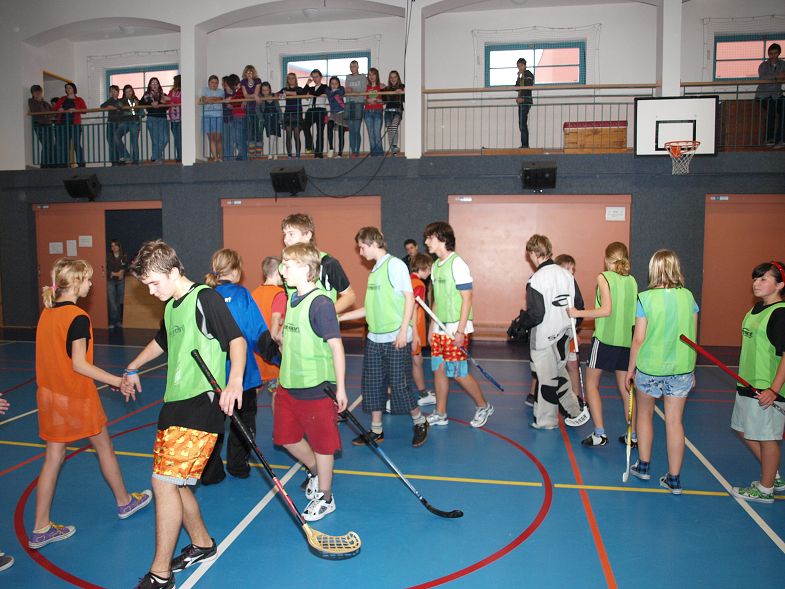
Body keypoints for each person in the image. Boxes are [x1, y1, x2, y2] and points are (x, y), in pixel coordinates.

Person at [122, 240, 246, 589]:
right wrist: (133, 366)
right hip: (174, 404)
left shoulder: (206, 298)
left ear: (174, 271)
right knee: (175, 484)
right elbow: (161, 342)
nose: (150, 291)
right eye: (146, 285)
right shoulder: (171, 308)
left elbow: (236, 340)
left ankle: (160, 574)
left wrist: (235, 381)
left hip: (200, 404)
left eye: (153, 283)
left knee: (163, 483)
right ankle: (202, 543)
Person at [31, 258, 152, 550]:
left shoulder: (47, 313)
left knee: (53, 458)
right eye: (86, 279)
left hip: (50, 398)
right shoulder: (78, 317)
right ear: (74, 283)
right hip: (76, 398)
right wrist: (116, 380)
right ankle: (124, 501)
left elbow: (60, 360)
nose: (90, 284)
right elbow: (79, 364)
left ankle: (40, 528)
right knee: (104, 447)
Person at [275, 243, 348, 521]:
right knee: (286, 438)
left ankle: (326, 497)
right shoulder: (292, 298)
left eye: (288, 264)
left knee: (323, 445)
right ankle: (317, 472)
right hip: (288, 385)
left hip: (317, 387)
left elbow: (336, 347)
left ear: (306, 269)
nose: (282, 270)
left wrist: (341, 388)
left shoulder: (321, 304)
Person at [339, 227, 429, 447]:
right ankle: (376, 430)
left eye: (362, 247)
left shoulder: (395, 265)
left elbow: (410, 299)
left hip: (395, 337)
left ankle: (420, 421)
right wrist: (339, 317)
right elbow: (369, 309)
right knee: (373, 385)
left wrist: (403, 331)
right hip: (375, 338)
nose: (361, 253)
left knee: (399, 385)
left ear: (372, 243)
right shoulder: (374, 272)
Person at [626, 249, 698, 495]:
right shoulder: (688, 297)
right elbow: (692, 338)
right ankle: (674, 478)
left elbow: (639, 338)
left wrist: (630, 370)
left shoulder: (645, 298)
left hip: (650, 367)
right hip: (681, 368)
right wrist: (691, 368)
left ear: (653, 269)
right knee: (675, 421)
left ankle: (643, 465)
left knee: (645, 414)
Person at [202, 249, 268, 483]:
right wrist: (280, 358)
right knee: (244, 422)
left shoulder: (204, 296)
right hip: (242, 376)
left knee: (212, 424)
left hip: (212, 376)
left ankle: (210, 472)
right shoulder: (242, 295)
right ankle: (238, 467)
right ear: (236, 270)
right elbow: (258, 333)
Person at [422, 222, 494, 428]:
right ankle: (440, 413)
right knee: (438, 369)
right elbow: (436, 300)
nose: (426, 242)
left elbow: (467, 298)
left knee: (457, 372)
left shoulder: (457, 264)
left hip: (455, 327)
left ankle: (483, 406)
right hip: (440, 327)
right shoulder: (436, 266)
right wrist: (431, 328)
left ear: (442, 238)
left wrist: (461, 331)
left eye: (430, 237)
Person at [567, 243, 638, 446]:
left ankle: (599, 434)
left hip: (605, 340)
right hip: (626, 342)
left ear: (607, 259)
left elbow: (606, 310)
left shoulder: (603, 277)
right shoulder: (632, 281)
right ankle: (632, 435)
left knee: (591, 385)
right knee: (626, 390)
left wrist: (577, 313)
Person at [516, 235, 588, 429]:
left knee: (547, 379)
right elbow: (579, 306)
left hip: (543, 337)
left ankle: (547, 421)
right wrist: (572, 328)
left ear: (534, 253)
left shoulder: (536, 279)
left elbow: (536, 314)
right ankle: (575, 410)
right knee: (558, 374)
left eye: (530, 254)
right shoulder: (567, 276)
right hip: (564, 335)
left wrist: (522, 324)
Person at [730, 261, 785, 503]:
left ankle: (765, 489)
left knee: (766, 437)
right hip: (747, 383)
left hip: (766, 388)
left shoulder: (780, 314)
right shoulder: (756, 309)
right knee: (743, 429)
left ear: (780, 285)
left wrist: (774, 389)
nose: (756, 283)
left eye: (763, 279)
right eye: (755, 278)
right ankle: (773, 475)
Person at [281, 213, 356, 314]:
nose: (286, 239)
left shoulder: (327, 263)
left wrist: (325, 314)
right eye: (284, 234)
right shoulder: (283, 266)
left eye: (291, 234)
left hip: (321, 323)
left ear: (308, 235)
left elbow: (350, 296)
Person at [251, 256, 286, 393]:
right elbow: (275, 320)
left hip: (256, 354)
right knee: (277, 395)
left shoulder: (254, 293)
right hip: (273, 357)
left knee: (254, 394)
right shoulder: (280, 294)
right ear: (277, 272)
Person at [555, 254, 582, 406]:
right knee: (550, 366)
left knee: (572, 364)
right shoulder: (551, 284)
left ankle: (575, 398)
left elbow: (579, 305)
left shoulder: (572, 284)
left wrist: (575, 330)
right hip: (553, 333)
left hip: (569, 331)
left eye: (573, 269)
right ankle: (539, 397)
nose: (572, 272)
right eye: (568, 268)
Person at [410, 252, 435, 406]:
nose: (430, 272)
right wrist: (415, 334)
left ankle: (423, 392)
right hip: (413, 328)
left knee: (417, 359)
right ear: (423, 267)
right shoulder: (419, 284)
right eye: (429, 268)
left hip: (408, 327)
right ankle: (422, 394)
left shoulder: (408, 280)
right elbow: (412, 309)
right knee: (415, 361)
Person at [756, 43, 785, 148]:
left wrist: (775, 77)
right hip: (763, 95)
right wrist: (777, 76)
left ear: (779, 53)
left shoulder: (783, 64)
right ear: (768, 54)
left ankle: (781, 139)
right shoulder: (763, 65)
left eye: (775, 53)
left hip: (777, 94)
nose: (773, 56)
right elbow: (763, 78)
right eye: (771, 53)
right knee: (771, 110)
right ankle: (769, 139)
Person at [53, 82, 87, 167]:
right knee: (64, 145)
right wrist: (59, 109)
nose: (68, 89)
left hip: (75, 125)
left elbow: (85, 110)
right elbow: (54, 108)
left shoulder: (79, 99)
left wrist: (76, 109)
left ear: (74, 89)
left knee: (76, 144)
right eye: (66, 88)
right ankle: (65, 164)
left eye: (69, 88)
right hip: (63, 125)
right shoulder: (62, 99)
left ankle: (81, 164)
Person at [139, 77, 170, 164]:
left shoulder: (163, 95)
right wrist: (150, 104)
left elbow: (167, 107)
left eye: (156, 83)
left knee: (165, 139)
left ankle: (154, 156)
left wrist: (160, 104)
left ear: (159, 85)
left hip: (162, 118)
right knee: (155, 141)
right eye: (152, 83)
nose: (154, 85)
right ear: (149, 85)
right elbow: (141, 103)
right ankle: (157, 159)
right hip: (152, 118)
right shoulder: (146, 95)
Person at [28, 84, 56, 167]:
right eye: (35, 92)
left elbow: (53, 113)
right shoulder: (31, 101)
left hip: (48, 125)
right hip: (40, 125)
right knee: (46, 145)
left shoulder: (45, 103)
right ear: (32, 93)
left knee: (51, 145)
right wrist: (40, 101)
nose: (38, 93)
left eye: (39, 92)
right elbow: (39, 112)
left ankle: (50, 164)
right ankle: (44, 165)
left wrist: (49, 117)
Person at [279, 73, 306, 159]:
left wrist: (287, 93)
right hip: (288, 114)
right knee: (288, 135)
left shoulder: (299, 88)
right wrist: (282, 94)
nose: (291, 80)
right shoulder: (284, 89)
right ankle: (289, 156)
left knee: (296, 135)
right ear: (287, 80)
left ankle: (298, 155)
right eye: (289, 78)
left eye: (293, 78)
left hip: (297, 114)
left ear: (295, 79)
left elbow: (300, 93)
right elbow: (278, 95)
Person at [344, 60, 368, 158]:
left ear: (358, 67)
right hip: (349, 104)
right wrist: (349, 91)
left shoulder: (362, 77)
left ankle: (356, 151)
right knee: (351, 130)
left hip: (359, 104)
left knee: (357, 130)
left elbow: (364, 90)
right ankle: (353, 151)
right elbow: (346, 90)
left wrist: (353, 90)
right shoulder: (348, 77)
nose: (352, 68)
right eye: (351, 66)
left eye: (354, 66)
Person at [303, 69, 328, 158]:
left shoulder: (325, 86)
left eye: (316, 77)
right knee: (305, 126)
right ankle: (310, 146)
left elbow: (318, 93)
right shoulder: (311, 88)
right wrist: (307, 84)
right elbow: (302, 93)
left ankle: (319, 153)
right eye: (313, 77)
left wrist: (311, 94)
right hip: (311, 109)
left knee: (320, 132)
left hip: (321, 110)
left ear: (320, 77)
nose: (315, 79)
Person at [101, 85, 126, 166]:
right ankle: (114, 160)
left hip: (118, 124)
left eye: (114, 91)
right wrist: (108, 107)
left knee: (116, 141)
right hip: (110, 123)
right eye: (111, 91)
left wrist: (114, 107)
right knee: (110, 141)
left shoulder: (120, 101)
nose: (113, 92)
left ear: (118, 92)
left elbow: (122, 108)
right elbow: (102, 106)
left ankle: (120, 159)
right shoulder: (109, 101)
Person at [200, 75, 224, 162]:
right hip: (206, 117)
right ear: (209, 83)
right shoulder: (204, 90)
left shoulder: (221, 91)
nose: (214, 84)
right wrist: (213, 99)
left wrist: (209, 99)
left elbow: (220, 98)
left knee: (218, 138)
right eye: (212, 82)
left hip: (218, 116)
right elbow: (203, 99)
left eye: (216, 83)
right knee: (211, 138)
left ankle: (221, 157)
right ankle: (215, 158)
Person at [240, 65, 262, 157]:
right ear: (245, 73)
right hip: (248, 108)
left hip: (256, 108)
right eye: (248, 72)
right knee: (250, 130)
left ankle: (259, 151)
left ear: (254, 73)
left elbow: (256, 93)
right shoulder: (243, 82)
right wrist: (253, 96)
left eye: (251, 72)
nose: (249, 74)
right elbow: (245, 95)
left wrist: (253, 96)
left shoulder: (258, 80)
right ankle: (251, 152)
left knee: (257, 129)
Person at [118, 85, 142, 165]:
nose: (128, 93)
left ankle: (135, 161)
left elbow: (142, 113)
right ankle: (127, 156)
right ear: (124, 93)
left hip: (134, 122)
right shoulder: (122, 101)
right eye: (126, 92)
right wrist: (121, 107)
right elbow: (119, 108)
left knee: (134, 142)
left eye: (130, 91)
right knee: (116, 136)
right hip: (125, 122)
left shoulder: (136, 100)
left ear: (132, 91)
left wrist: (137, 107)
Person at [107, 239, 127, 330]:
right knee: (112, 302)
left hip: (120, 281)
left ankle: (118, 321)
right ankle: (112, 321)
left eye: (115, 245)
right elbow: (105, 269)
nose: (114, 247)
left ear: (119, 246)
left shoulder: (123, 255)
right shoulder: (108, 256)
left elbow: (126, 266)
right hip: (111, 281)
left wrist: (122, 272)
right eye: (112, 246)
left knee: (119, 302)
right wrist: (115, 274)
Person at [383, 70, 405, 154]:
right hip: (388, 111)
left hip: (398, 111)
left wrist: (402, 91)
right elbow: (384, 101)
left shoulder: (402, 86)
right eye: (391, 77)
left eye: (395, 77)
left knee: (394, 126)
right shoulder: (386, 88)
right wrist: (381, 88)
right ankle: (393, 149)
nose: (393, 79)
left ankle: (394, 146)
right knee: (390, 129)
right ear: (389, 79)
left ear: (398, 78)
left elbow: (405, 98)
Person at [258, 81, 282, 159]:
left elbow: (278, 108)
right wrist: (261, 118)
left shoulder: (274, 96)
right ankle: (271, 153)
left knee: (275, 136)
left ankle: (275, 154)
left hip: (275, 117)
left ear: (270, 90)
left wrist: (280, 118)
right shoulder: (260, 98)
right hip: (267, 119)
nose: (265, 92)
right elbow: (257, 109)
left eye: (267, 90)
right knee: (271, 135)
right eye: (263, 90)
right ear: (261, 90)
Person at [515, 57, 535, 148]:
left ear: (525, 65)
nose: (520, 68)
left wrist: (523, 99)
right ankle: (524, 145)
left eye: (521, 66)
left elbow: (528, 87)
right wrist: (518, 76)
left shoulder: (528, 74)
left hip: (525, 101)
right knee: (521, 123)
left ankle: (525, 145)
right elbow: (516, 88)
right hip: (522, 101)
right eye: (518, 66)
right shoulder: (522, 75)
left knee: (522, 124)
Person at [364, 68, 384, 156]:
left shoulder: (381, 86)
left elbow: (384, 101)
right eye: (370, 75)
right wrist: (367, 101)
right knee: (371, 134)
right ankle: (373, 154)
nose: (371, 76)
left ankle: (379, 154)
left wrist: (378, 100)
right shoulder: (366, 87)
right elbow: (363, 100)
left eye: (373, 74)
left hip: (378, 111)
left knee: (376, 132)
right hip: (367, 111)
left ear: (377, 76)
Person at [326, 75, 347, 158]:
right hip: (333, 114)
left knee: (341, 133)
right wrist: (335, 92)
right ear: (330, 84)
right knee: (329, 126)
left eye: (336, 83)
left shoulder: (341, 89)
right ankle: (331, 148)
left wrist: (335, 92)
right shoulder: (328, 90)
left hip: (341, 113)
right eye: (332, 83)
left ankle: (340, 153)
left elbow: (342, 92)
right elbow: (328, 93)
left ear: (339, 84)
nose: (334, 85)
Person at [168, 75, 182, 162]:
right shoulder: (171, 91)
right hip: (173, 119)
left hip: (181, 119)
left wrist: (172, 99)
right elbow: (167, 101)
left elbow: (181, 101)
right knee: (177, 139)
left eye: (175, 81)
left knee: (179, 138)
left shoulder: (183, 91)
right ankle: (179, 155)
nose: (174, 83)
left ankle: (180, 156)